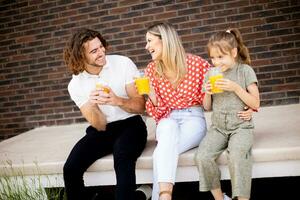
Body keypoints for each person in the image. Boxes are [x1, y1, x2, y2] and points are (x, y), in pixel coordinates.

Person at [63, 28, 148, 200]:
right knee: (70, 168)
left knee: (122, 156)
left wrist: (118, 101)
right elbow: (98, 124)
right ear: (81, 57)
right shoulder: (75, 84)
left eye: (101, 46)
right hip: (103, 129)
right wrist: (93, 105)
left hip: (131, 124)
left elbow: (140, 106)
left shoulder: (122, 63)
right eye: (94, 51)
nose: (102, 52)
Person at [142, 22, 209, 200]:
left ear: (164, 40)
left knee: (162, 152)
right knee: (167, 129)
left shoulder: (197, 64)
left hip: (193, 118)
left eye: (149, 41)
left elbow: (212, 99)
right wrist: (151, 94)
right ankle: (165, 196)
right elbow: (155, 113)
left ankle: (161, 196)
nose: (146, 46)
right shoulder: (151, 70)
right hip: (167, 118)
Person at [194, 28, 260, 200]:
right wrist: (207, 93)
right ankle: (219, 197)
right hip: (219, 127)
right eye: (213, 57)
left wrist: (236, 88)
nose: (216, 62)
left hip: (240, 125)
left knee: (237, 155)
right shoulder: (210, 74)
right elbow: (207, 107)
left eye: (220, 57)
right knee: (202, 156)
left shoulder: (245, 71)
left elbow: (256, 103)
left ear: (234, 52)